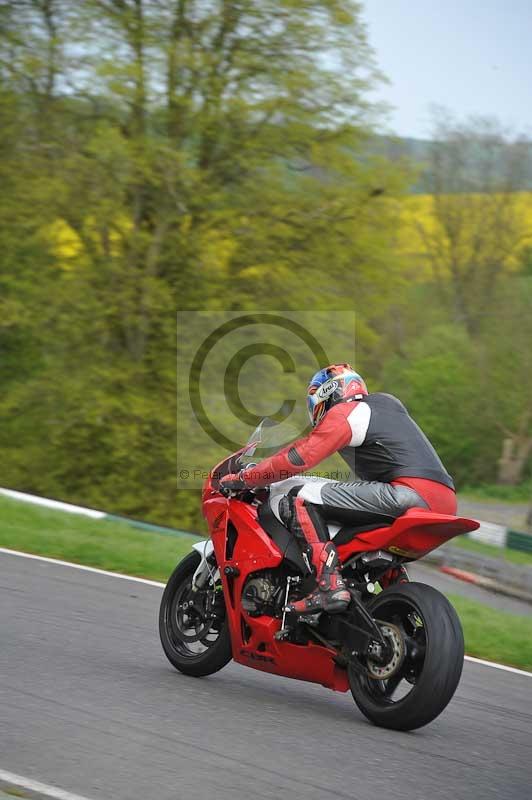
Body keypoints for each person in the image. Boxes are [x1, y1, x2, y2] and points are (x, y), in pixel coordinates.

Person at [220, 363, 456, 616]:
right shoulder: (387, 408)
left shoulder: (348, 412)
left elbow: (300, 458)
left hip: (406, 494)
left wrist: (247, 478)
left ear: (326, 394)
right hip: (445, 501)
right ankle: (399, 598)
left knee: (298, 496)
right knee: (364, 534)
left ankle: (329, 585)